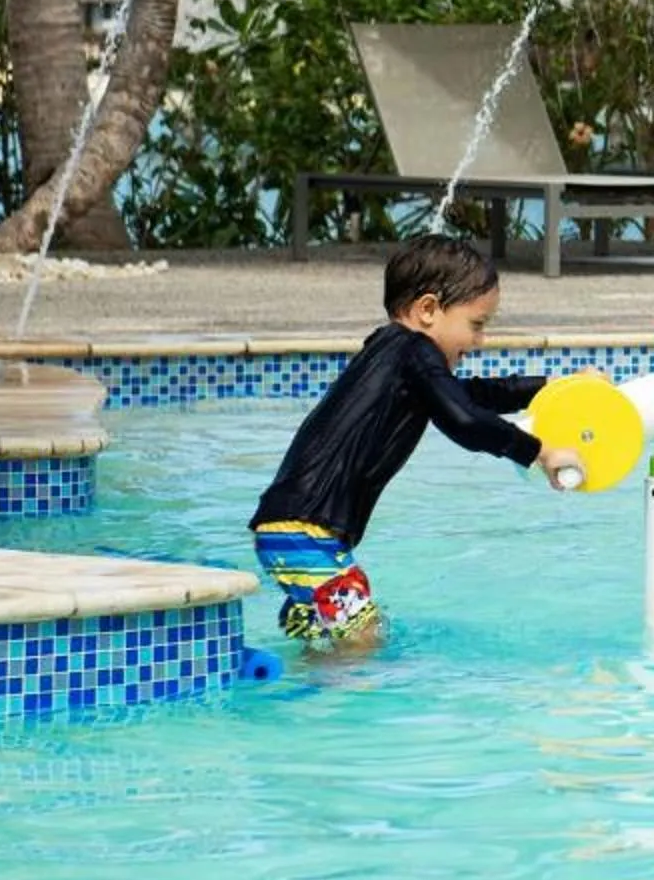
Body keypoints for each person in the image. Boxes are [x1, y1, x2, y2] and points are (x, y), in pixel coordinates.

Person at [250, 235, 586, 648]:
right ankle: (319, 708)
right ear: (428, 310)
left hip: (293, 529)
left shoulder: (393, 352)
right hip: (305, 532)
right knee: (362, 640)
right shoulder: (414, 350)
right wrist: (539, 452)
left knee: (336, 642)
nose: (480, 341)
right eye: (476, 324)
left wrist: (554, 388)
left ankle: (304, 690)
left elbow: (469, 397)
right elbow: (463, 419)